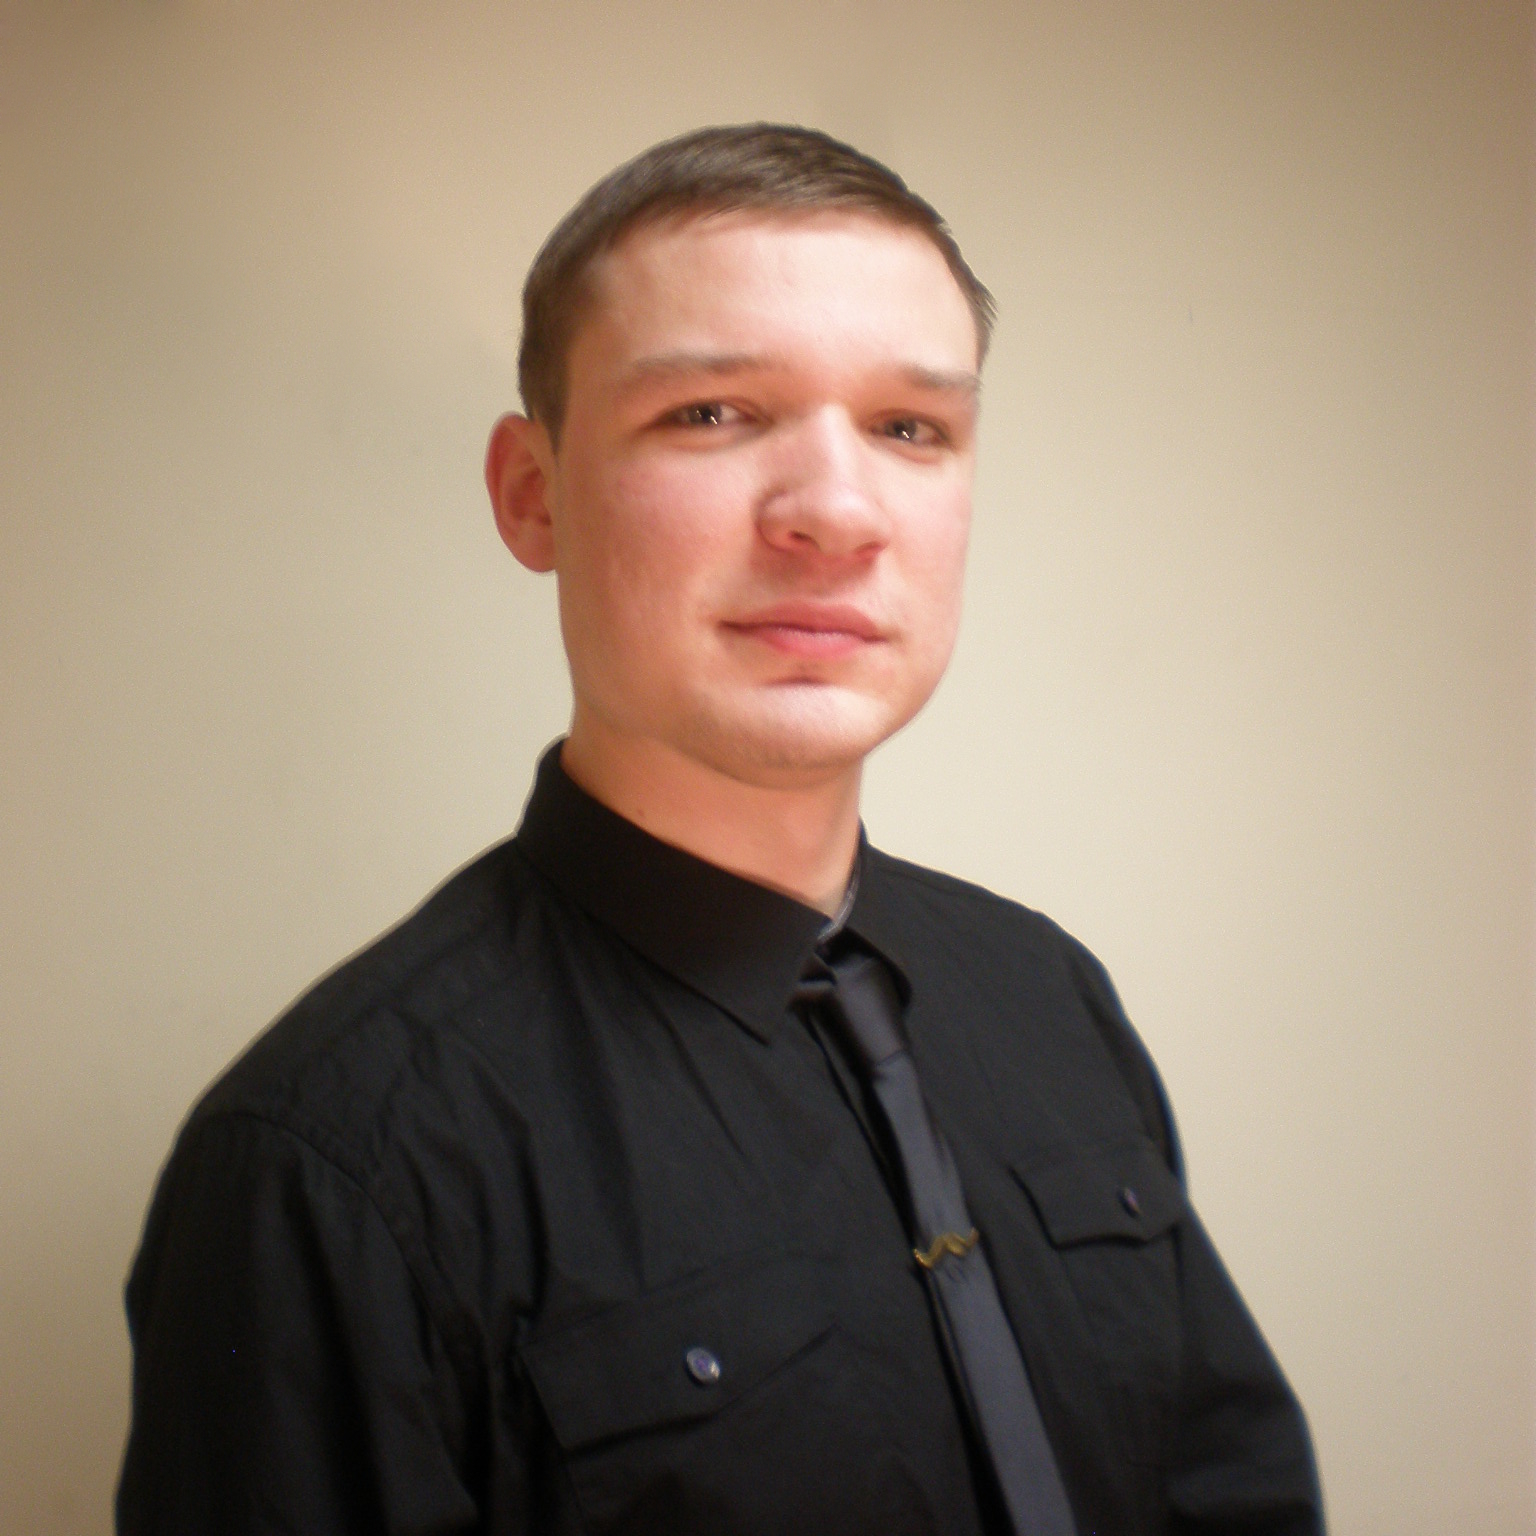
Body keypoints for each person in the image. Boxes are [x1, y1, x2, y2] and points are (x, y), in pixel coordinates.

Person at [117, 124, 1324, 1536]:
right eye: (711, 414)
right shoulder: (330, 1168)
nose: (837, 514)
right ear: (531, 493)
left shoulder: (1050, 996)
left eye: (910, 428)